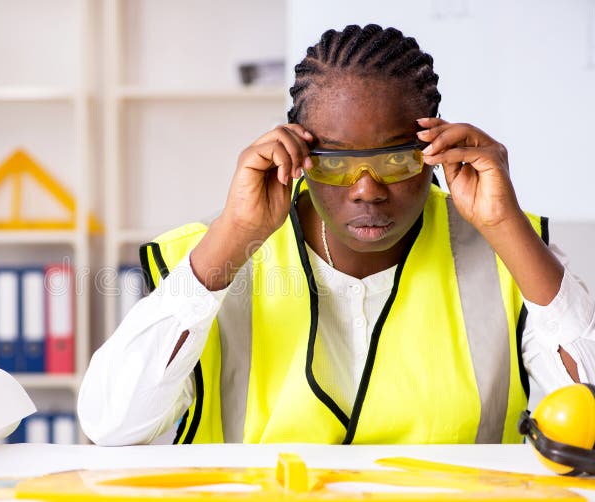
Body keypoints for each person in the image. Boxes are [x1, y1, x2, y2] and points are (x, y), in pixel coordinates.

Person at [78, 24, 595, 446]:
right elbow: (111, 426)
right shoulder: (218, 250)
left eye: (395, 158)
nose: (367, 190)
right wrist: (234, 234)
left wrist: (507, 227)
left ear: (434, 149)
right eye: (335, 162)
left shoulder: (508, 249)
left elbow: (585, 429)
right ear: (298, 158)